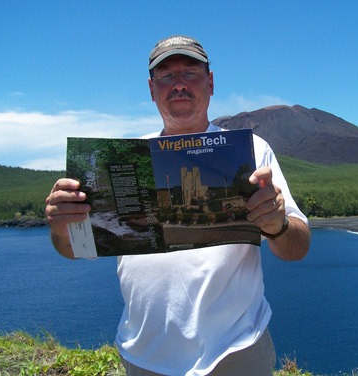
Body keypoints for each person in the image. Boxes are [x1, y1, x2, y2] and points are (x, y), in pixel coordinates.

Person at [45, 35, 310, 376]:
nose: (179, 85)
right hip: (144, 357)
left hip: (237, 352)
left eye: (191, 72)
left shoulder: (254, 150)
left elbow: (297, 247)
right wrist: (61, 227)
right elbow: (72, 249)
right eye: (167, 76)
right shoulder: (119, 159)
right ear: (152, 89)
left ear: (210, 82)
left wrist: (279, 226)